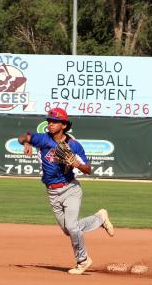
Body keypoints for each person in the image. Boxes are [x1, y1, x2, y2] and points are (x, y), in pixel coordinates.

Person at [18, 108, 114, 275]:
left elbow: (88, 169)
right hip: (52, 192)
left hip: (70, 189)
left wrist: (77, 165)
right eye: (49, 121)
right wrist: (26, 143)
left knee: (71, 226)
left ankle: (83, 260)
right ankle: (100, 218)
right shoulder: (43, 139)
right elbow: (23, 136)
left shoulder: (74, 145)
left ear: (63, 125)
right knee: (68, 230)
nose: (50, 124)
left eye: (54, 121)